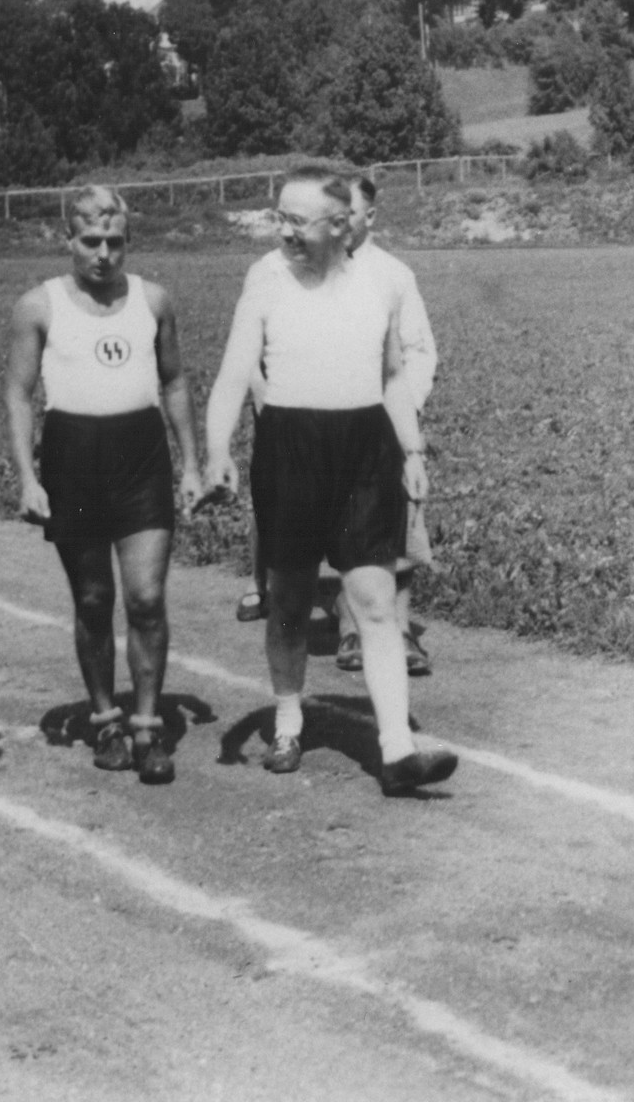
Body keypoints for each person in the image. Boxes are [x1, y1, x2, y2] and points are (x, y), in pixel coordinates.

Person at [203, 165, 457, 796]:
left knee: (374, 598)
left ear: (341, 225)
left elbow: (394, 376)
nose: (282, 230)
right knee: (288, 601)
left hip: (364, 449)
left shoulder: (383, 285)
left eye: (296, 220)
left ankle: (397, 747)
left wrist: (412, 450)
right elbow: (234, 374)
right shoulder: (265, 281)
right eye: (279, 217)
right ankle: (289, 719)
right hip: (290, 449)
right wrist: (216, 451)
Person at [6, 186, 204, 785]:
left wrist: (191, 462)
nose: (103, 255)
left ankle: (148, 727)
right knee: (94, 599)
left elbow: (173, 382)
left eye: (115, 243)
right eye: (90, 242)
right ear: (68, 240)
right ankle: (106, 717)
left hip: (139, 457)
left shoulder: (153, 300)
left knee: (146, 598)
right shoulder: (38, 306)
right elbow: (18, 392)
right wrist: (26, 477)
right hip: (73, 458)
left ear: (128, 243)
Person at [330, 174, 438, 678]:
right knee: (337, 518)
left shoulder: (394, 274)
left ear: (369, 216)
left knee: (399, 523)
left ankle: (398, 629)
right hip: (328, 417)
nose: (337, 222)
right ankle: (350, 624)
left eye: (346, 212)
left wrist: (404, 411)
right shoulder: (312, 270)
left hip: (386, 418)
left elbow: (418, 351)